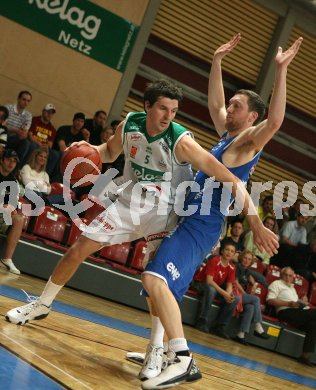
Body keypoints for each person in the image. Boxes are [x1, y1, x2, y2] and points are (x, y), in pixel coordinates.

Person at [5, 78, 257, 332]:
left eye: (173, 111)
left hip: (165, 211)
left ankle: (158, 348)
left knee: (156, 283)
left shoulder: (181, 140)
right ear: (147, 105)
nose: (168, 116)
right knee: (78, 247)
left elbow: (224, 173)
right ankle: (43, 304)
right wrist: (84, 149)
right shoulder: (130, 126)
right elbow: (108, 152)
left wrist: (253, 217)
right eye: (162, 109)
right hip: (130, 204)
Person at [138, 34, 301, 389]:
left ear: (251, 117)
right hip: (189, 216)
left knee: (155, 280)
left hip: (203, 223)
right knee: (158, 285)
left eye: (237, 106)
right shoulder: (227, 137)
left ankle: (180, 357)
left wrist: (281, 70)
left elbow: (274, 123)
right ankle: (159, 351)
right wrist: (215, 61)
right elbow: (214, 106)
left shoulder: (247, 142)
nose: (229, 109)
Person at [266, 266, 316, 366]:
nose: (288, 277)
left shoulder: (292, 288)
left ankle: (304, 356)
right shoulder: (276, 284)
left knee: (313, 324)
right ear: (281, 275)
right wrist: (289, 304)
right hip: (285, 312)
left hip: (296, 312)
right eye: (286, 275)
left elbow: (296, 304)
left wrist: (301, 302)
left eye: (290, 276)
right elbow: (270, 300)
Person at [195, 238, 240, 337]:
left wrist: (229, 295)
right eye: (227, 250)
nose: (229, 252)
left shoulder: (232, 267)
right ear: (222, 251)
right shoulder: (215, 260)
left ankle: (219, 326)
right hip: (201, 284)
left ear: (234, 255)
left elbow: (229, 284)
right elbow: (209, 281)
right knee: (211, 290)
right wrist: (225, 294)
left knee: (235, 298)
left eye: (232, 251)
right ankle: (202, 320)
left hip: (216, 288)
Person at [233, 250, 269, 345]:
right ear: (241, 258)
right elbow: (235, 282)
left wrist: (254, 285)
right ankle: (258, 325)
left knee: (251, 307)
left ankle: (240, 335)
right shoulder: (237, 267)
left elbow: (252, 280)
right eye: (245, 258)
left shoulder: (247, 271)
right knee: (256, 299)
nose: (246, 261)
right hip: (234, 293)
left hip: (242, 295)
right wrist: (245, 293)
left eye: (249, 259)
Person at [0, 149, 24, 275]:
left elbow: (13, 206)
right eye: (9, 159)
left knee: (19, 219)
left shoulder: (13, 181)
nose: (11, 163)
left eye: (14, 161)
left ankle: (7, 259)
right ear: (2, 160)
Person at [28, 104, 61, 181]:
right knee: (32, 145)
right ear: (43, 111)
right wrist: (39, 144)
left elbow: (50, 144)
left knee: (55, 154)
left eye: (52, 113)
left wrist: (46, 146)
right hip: (34, 143)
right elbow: (30, 135)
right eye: (48, 112)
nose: (50, 114)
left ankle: (44, 177)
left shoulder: (52, 128)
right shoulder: (34, 120)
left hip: (44, 148)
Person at [5, 91, 33, 168]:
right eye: (24, 99)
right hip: (3, 136)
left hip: (15, 139)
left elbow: (24, 133)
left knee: (26, 143)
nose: (26, 102)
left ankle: (15, 171)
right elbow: (2, 126)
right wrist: (16, 130)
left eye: (28, 101)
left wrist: (22, 134)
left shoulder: (28, 115)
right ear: (18, 99)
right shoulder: (8, 108)